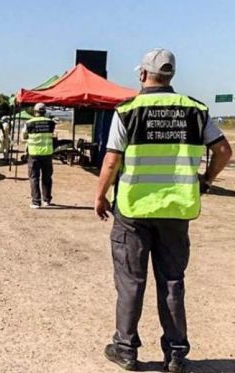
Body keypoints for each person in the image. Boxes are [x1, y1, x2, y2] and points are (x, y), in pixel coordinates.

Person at [95, 48, 232, 372]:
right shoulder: (196, 110)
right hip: (176, 210)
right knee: (172, 281)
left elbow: (112, 159)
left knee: (131, 281)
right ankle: (175, 354)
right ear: (171, 76)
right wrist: (206, 181)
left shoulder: (128, 110)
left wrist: (100, 196)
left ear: (142, 75)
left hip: (133, 211)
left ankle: (126, 349)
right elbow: (224, 151)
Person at [23, 103, 56, 208]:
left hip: (34, 154)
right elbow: (53, 135)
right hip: (47, 153)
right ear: (45, 111)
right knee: (47, 177)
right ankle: (47, 200)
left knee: (34, 178)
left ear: (35, 111)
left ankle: (36, 202)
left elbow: (24, 136)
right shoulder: (51, 123)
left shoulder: (29, 123)